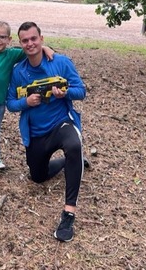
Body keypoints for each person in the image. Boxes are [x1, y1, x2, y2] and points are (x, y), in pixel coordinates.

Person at [6, 21, 86, 242]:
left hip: (61, 124)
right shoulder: (19, 71)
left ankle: (69, 213)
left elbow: (82, 91)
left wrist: (64, 93)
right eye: (25, 40)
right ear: (21, 44)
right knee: (37, 176)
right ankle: (73, 162)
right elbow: (10, 103)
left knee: (73, 145)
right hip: (36, 133)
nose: (30, 43)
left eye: (34, 38)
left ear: (41, 38)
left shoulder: (60, 62)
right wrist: (26, 102)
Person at [0, 21, 54, 175]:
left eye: (2, 37)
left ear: (9, 39)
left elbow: (31, 49)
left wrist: (45, 48)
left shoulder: (12, 54)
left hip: (0, 102)